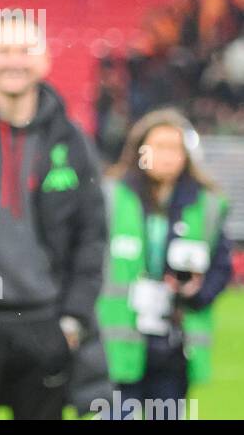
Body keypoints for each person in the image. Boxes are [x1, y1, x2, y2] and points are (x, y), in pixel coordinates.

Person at [0, 14, 108, 420]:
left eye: (25, 50)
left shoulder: (72, 139)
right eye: (3, 50)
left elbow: (91, 236)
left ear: (44, 61)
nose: (14, 61)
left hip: (45, 323)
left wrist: (74, 318)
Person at [98, 109, 232, 418]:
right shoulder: (110, 196)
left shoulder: (207, 204)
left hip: (175, 342)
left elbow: (220, 266)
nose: (166, 156)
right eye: (157, 146)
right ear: (139, 150)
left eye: (175, 148)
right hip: (120, 340)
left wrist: (197, 291)